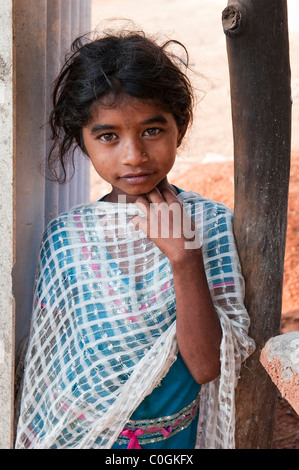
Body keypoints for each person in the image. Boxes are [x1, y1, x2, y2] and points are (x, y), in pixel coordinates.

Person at [15, 28, 255, 450]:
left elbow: (206, 367)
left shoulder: (211, 223)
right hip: (82, 437)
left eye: (152, 130)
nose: (134, 155)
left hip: (172, 440)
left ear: (179, 127)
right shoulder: (67, 238)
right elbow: (48, 369)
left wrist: (184, 257)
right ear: (82, 141)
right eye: (108, 136)